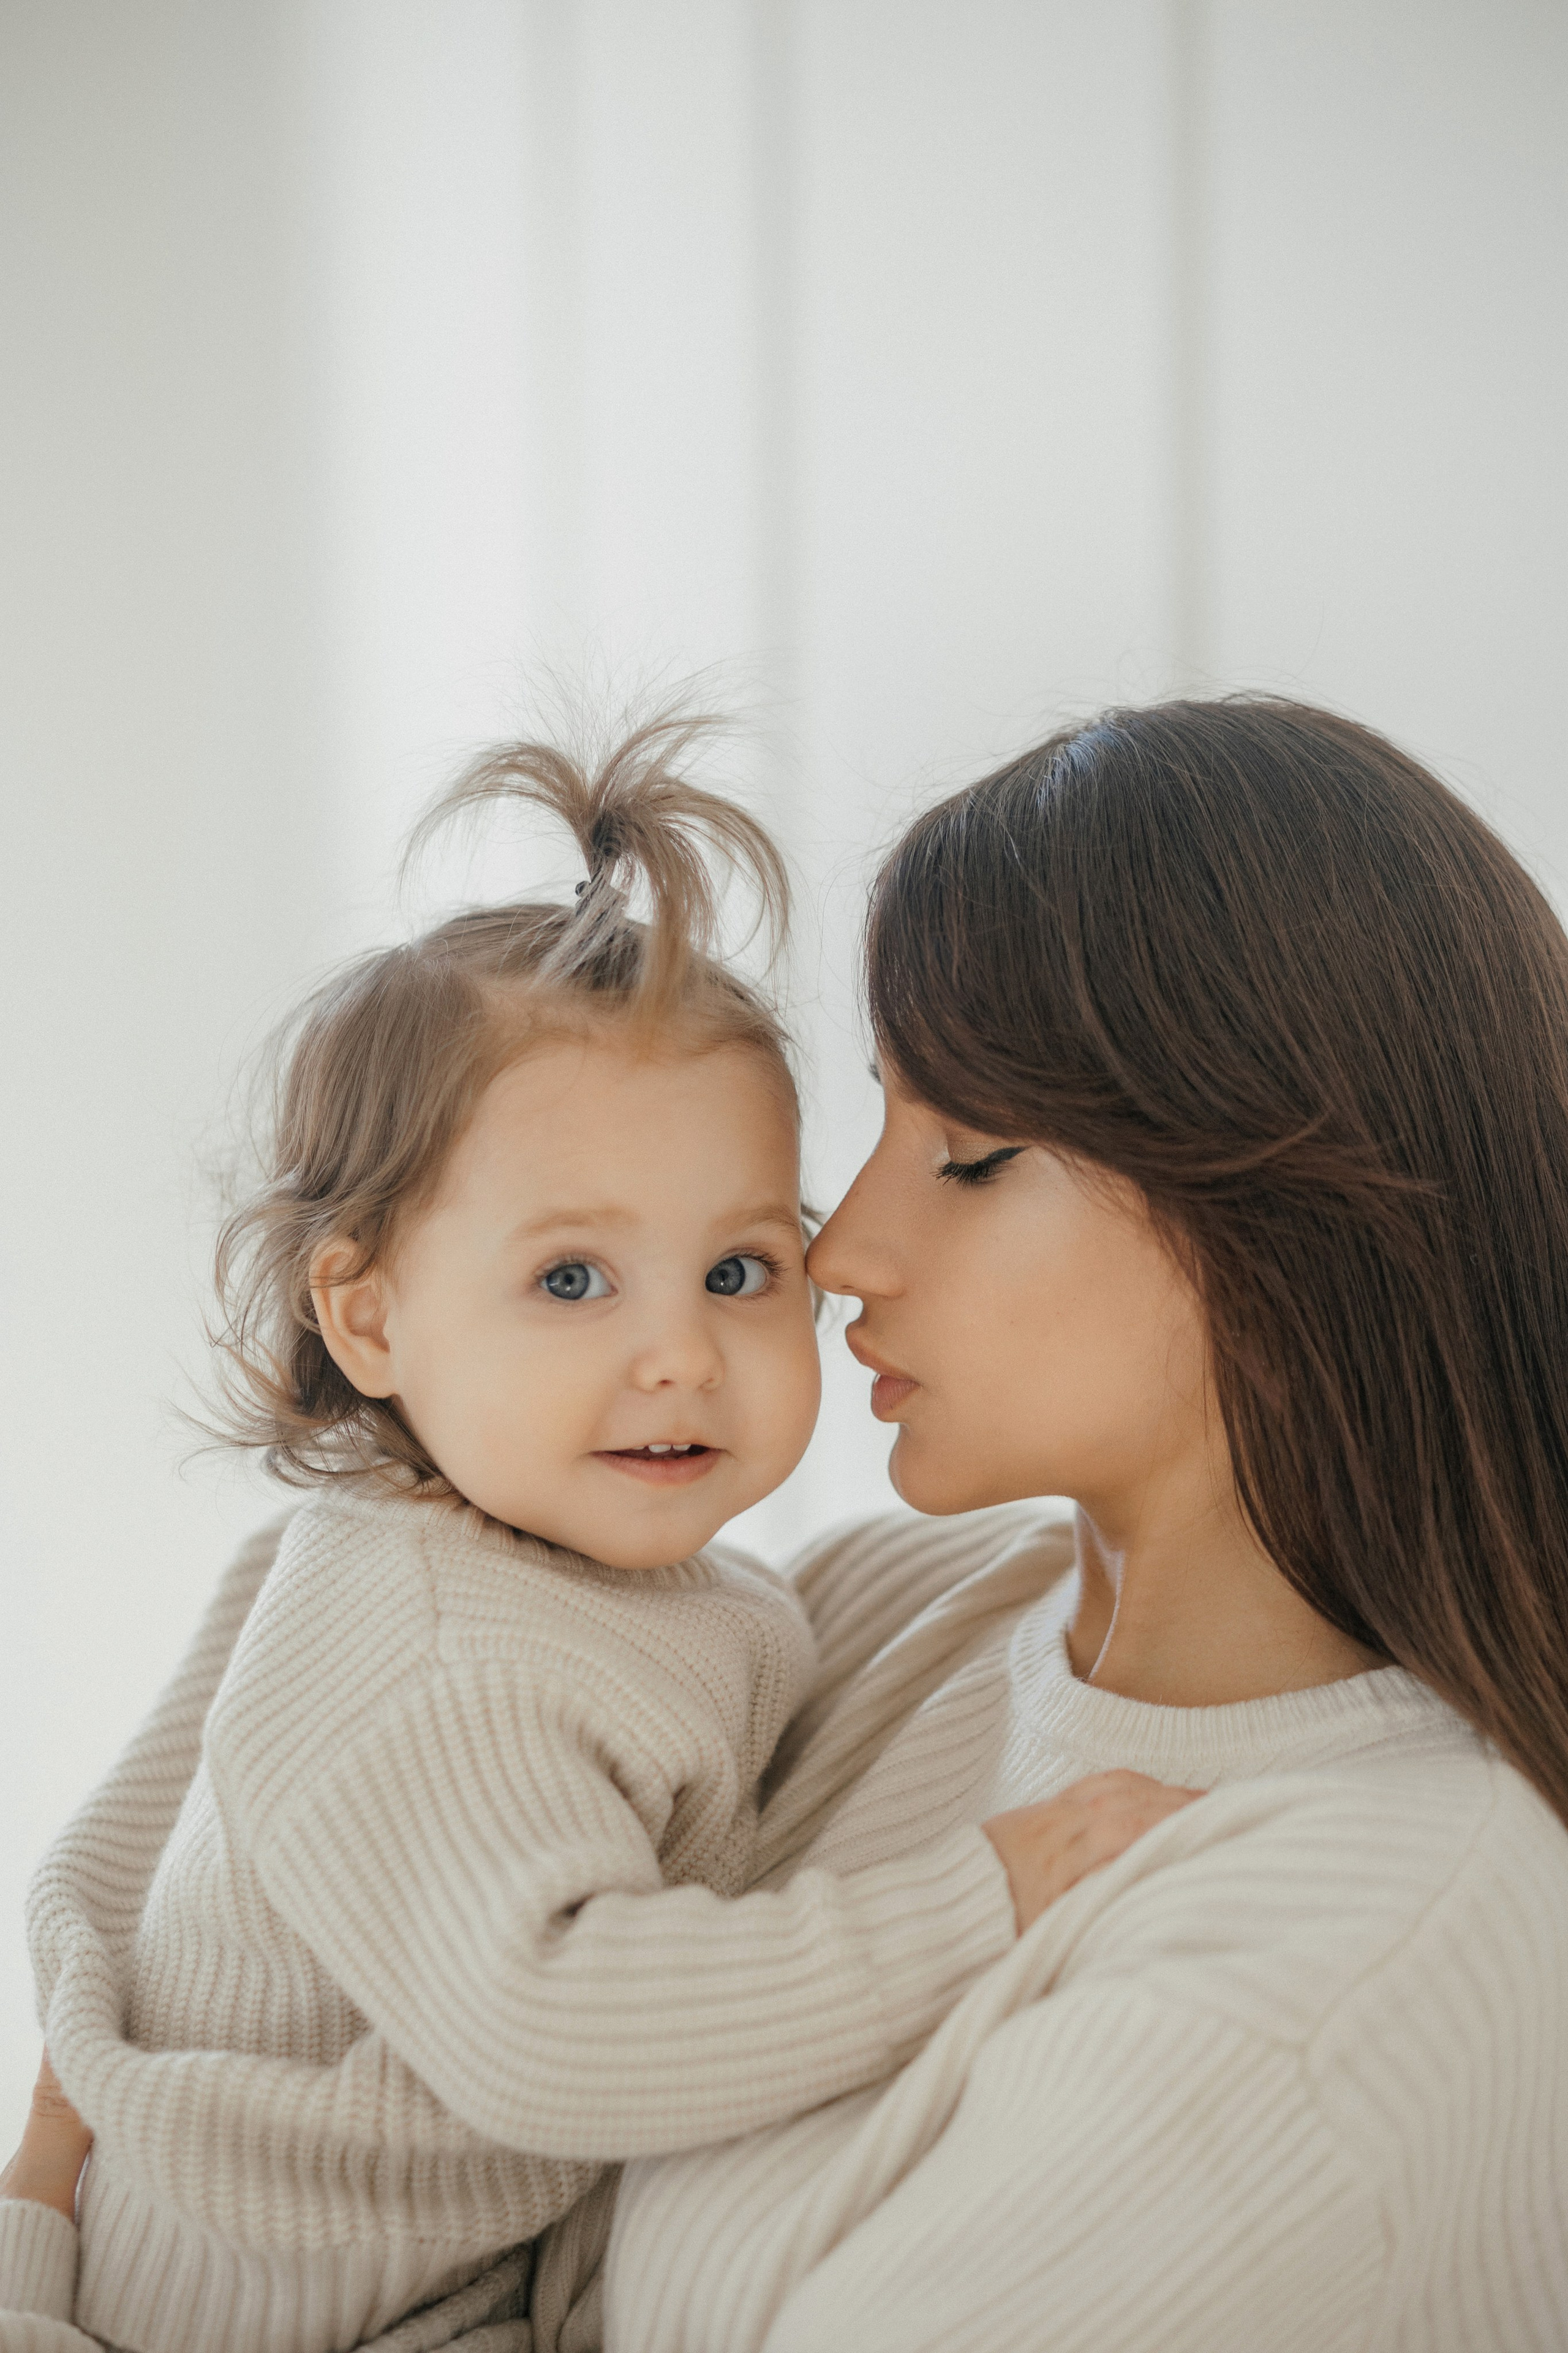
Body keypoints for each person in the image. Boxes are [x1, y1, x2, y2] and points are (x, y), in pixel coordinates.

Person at [11, 692, 1568, 2349]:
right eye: (883, 1120)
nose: (840, 1254)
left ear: (1281, 1221)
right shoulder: (877, 1615)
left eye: (965, 1154)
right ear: (364, 1312)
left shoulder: (1332, 1978)